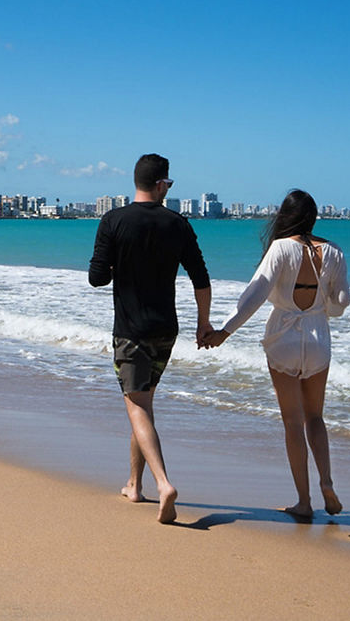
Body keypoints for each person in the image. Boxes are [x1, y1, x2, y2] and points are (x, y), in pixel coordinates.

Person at [200, 189, 350, 522]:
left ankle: (304, 501)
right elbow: (341, 302)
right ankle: (326, 481)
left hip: (283, 335)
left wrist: (224, 332)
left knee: (293, 421)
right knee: (316, 418)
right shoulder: (334, 251)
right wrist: (323, 304)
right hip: (318, 338)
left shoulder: (281, 248)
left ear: (285, 216)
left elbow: (255, 293)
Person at [89, 153, 212, 524]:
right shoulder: (178, 224)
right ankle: (134, 484)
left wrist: (120, 263)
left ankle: (163, 484)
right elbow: (201, 278)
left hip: (130, 331)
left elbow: (97, 278)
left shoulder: (113, 220)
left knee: (137, 405)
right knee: (143, 402)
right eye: (169, 184)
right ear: (160, 184)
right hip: (166, 330)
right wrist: (203, 325)